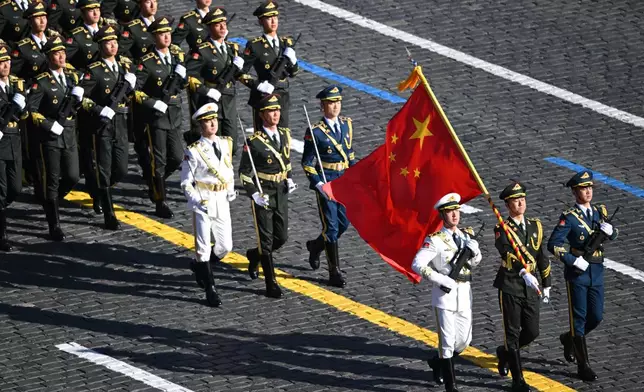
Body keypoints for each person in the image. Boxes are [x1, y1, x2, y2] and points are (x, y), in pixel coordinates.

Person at [547, 170, 618, 381]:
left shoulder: (600, 212)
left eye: (589, 188)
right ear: (575, 191)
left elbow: (614, 234)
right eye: (583, 189)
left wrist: (611, 231)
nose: (587, 192)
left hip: (596, 270)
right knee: (578, 318)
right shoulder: (569, 218)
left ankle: (569, 339)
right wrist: (571, 259)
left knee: (596, 316)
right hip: (578, 272)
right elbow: (553, 244)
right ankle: (583, 365)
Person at [411, 192, 482, 392]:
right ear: (442, 215)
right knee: (447, 342)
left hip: (464, 293)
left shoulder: (467, 235)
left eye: (456, 210)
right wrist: (441, 279)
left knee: (464, 341)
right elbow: (417, 264)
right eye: (450, 212)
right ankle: (451, 386)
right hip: (445, 297)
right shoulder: (435, 240)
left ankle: (437, 362)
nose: (454, 215)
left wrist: (475, 252)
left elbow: (474, 264)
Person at [493, 182, 551, 392]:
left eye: (523, 199)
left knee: (533, 331)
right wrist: (523, 272)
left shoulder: (535, 225)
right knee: (512, 333)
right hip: (510, 285)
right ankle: (518, 381)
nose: (521, 203)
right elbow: (506, 252)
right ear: (508, 204)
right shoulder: (502, 228)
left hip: (531, 287)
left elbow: (541, 255)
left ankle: (505, 353)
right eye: (516, 200)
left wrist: (547, 283)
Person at [239, 94, 296, 298]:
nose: (276, 114)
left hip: (280, 191)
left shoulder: (285, 134)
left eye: (278, 110)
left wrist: (289, 178)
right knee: (266, 239)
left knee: (281, 237)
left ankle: (254, 255)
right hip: (264, 192)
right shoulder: (254, 142)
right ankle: (270, 282)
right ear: (262, 115)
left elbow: (287, 162)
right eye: (272, 111)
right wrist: (254, 194)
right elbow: (244, 173)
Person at [78, 25, 136, 229]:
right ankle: (109, 213)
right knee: (103, 166)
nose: (113, 46)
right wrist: (97, 109)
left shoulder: (124, 67)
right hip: (102, 123)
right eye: (108, 43)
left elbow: (128, 95)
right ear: (101, 46)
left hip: (120, 120)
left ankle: (97, 189)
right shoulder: (93, 71)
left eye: (115, 42)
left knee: (120, 168)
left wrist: (132, 87)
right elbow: (81, 97)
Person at [27, 36, 84, 241]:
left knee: (72, 176)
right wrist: (49, 125)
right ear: (49, 57)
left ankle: (51, 200)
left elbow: (75, 107)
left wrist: (78, 100)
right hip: (50, 136)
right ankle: (54, 224)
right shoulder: (40, 82)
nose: (61, 56)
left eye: (62, 52)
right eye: (56, 53)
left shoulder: (71, 78)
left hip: (68, 132)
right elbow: (31, 111)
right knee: (51, 178)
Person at [180, 102, 236, 307]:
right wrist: (195, 200)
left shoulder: (226, 143)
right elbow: (186, 182)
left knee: (225, 246)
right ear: (200, 126)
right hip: (204, 199)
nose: (212, 124)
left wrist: (230, 189)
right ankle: (210, 289)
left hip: (222, 200)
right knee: (203, 247)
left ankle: (201, 268)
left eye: (214, 120)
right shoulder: (194, 151)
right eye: (207, 121)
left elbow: (228, 169)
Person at [301, 85, 357, 287]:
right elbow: (307, 162)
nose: (336, 106)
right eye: (332, 103)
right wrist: (319, 185)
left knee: (343, 224)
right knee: (331, 226)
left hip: (343, 180)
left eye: (338, 102)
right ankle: (334, 272)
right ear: (323, 105)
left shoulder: (347, 125)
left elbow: (349, 154)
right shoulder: (315, 131)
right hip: (327, 179)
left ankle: (316, 246)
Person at [132, 15, 186, 219]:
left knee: (177, 156)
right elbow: (135, 91)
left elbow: (181, 85)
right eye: (162, 34)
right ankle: (160, 200)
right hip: (156, 116)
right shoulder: (146, 62)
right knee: (160, 159)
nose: (166, 37)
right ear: (154, 37)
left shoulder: (176, 57)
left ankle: (155, 183)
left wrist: (183, 77)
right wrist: (153, 102)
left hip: (174, 113)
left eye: (168, 33)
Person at [185, 7, 244, 153]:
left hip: (229, 99)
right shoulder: (203, 50)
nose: (223, 27)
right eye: (218, 24)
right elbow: (187, 76)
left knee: (232, 145)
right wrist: (207, 90)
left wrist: (242, 69)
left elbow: (238, 75)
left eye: (224, 23)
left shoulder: (232, 48)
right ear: (210, 27)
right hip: (211, 100)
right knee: (213, 145)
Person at [240, 0, 298, 131]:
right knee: (263, 134)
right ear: (261, 21)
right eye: (268, 18)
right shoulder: (255, 45)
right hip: (264, 95)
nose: (273, 21)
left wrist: (293, 61)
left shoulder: (286, 43)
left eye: (275, 17)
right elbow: (240, 72)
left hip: (282, 93)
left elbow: (293, 73)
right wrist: (257, 85)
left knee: (283, 133)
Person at [0, 44, 27, 252]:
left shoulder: (16, 84)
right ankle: (2, 235)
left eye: (7, 61)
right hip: (0, 142)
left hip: (14, 141)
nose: (6, 65)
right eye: (1, 62)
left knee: (15, 188)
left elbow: (24, 115)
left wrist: (22, 108)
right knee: (1, 190)